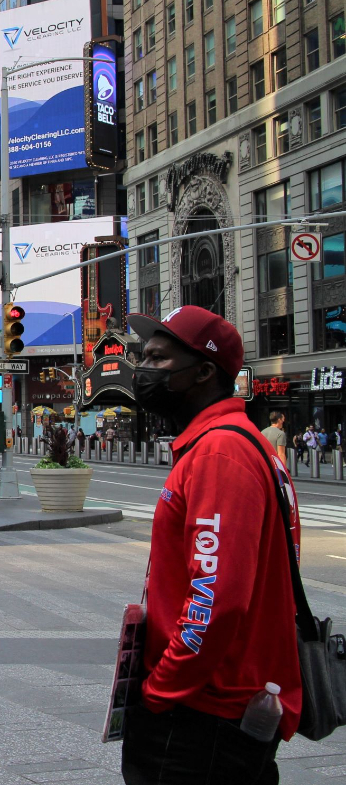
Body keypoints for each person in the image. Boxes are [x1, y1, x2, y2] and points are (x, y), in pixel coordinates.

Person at [120, 306, 301, 784]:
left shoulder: (222, 453)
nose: (144, 370)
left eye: (158, 359)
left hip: (202, 713)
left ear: (203, 371)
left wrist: (163, 689)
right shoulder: (231, 444)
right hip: (214, 706)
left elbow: (216, 597)